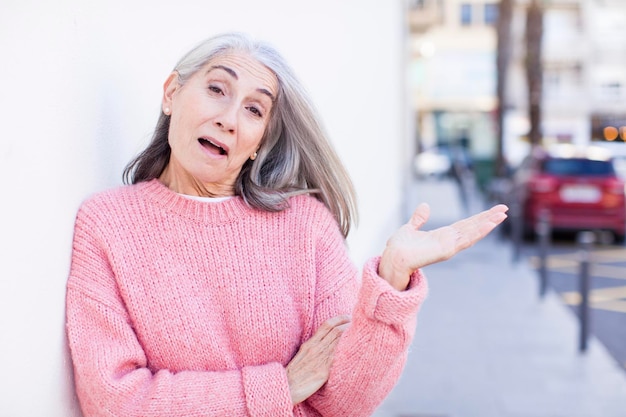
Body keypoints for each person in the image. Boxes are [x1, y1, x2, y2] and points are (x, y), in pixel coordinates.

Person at [65, 32, 508, 417]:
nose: (229, 118)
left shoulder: (306, 227)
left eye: (255, 110)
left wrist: (393, 279)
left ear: (260, 143)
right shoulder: (107, 224)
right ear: (171, 94)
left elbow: (344, 402)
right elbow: (115, 402)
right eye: (217, 89)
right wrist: (278, 388)